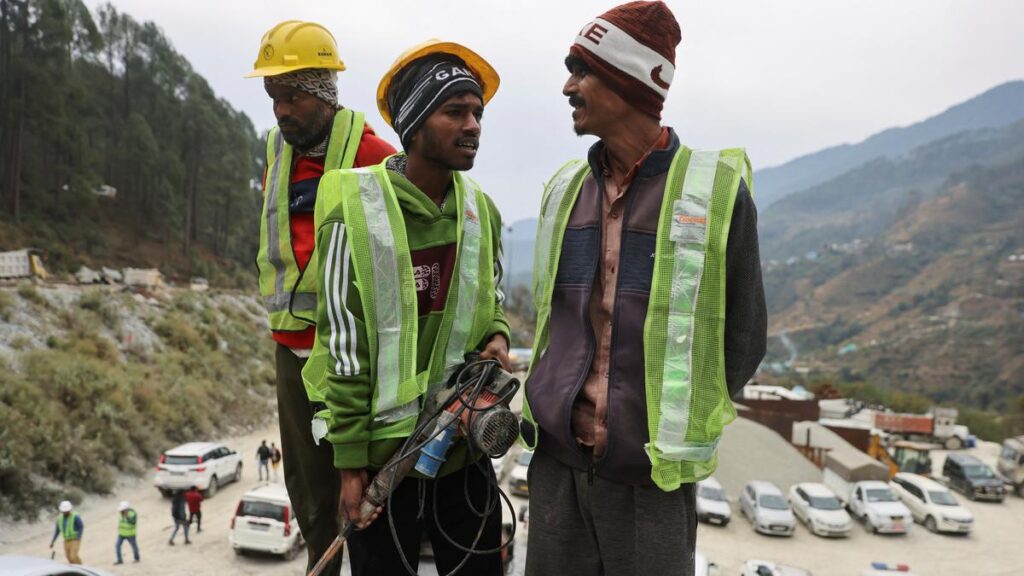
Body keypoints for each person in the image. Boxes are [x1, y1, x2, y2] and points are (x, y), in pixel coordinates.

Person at [521, 3, 767, 575]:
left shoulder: (714, 193)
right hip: (558, 471)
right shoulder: (564, 190)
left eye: (581, 71)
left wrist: (657, 423)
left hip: (652, 481)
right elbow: (554, 324)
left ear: (626, 82)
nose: (567, 87)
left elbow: (744, 339)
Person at [302, 39, 510, 576]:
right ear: (415, 127)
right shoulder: (356, 212)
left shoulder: (478, 212)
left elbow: (494, 300)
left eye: (477, 113)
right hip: (382, 467)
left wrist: (499, 338)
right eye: (454, 111)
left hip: (463, 456)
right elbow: (345, 350)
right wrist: (350, 468)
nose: (473, 126)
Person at [245, 20, 397, 576]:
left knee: (361, 486)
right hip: (291, 349)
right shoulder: (276, 153)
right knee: (308, 493)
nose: (281, 111)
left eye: (292, 97)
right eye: (273, 98)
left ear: (325, 94)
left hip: (353, 358)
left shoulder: (373, 154)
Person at [49, 500, 83, 564]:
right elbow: (57, 531)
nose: (66, 512)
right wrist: (52, 542)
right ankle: (75, 570)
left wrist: (78, 537)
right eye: (64, 511)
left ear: (70, 509)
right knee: (68, 557)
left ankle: (82, 568)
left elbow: (81, 526)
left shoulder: (75, 516)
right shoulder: (60, 519)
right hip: (66, 540)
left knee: (73, 556)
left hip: (75, 539)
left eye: (67, 511)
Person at [114, 500, 140, 565]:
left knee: (134, 546)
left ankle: (137, 558)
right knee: (117, 545)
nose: (120, 511)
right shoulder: (121, 513)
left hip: (130, 534)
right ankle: (119, 560)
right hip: (121, 534)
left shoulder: (133, 513)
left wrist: (127, 517)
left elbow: (133, 522)